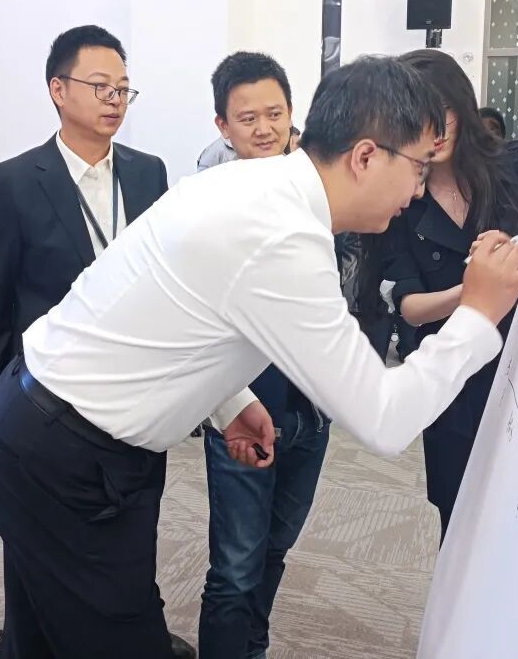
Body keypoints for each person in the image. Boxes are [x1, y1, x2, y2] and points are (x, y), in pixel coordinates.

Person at [0, 55, 518, 658]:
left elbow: (175, 310)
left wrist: (230, 401)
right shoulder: (283, 237)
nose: (418, 191)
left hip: (38, 424)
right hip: (65, 458)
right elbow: (384, 417)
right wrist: (478, 312)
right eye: (418, 168)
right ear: (366, 156)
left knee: (42, 643)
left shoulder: (251, 188)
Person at [0, 25, 193, 657]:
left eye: (124, 89)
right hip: (45, 415)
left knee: (130, 548)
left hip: (136, 406)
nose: (114, 99)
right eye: (100, 86)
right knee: (34, 566)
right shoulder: (12, 183)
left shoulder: (148, 174)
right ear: (57, 90)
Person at [384, 49, 518, 538]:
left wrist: (515, 259)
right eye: (413, 117)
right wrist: (475, 289)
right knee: (461, 524)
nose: (432, 131)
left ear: (462, 106)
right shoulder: (400, 198)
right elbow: (409, 308)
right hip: (455, 380)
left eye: (441, 114)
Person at [195, 52, 327, 659]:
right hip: (244, 410)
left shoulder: (317, 188)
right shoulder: (206, 203)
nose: (265, 129)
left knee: (274, 552)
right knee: (236, 565)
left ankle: (253, 648)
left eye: (275, 114)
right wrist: (227, 405)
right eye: (248, 118)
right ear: (223, 126)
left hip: (312, 409)